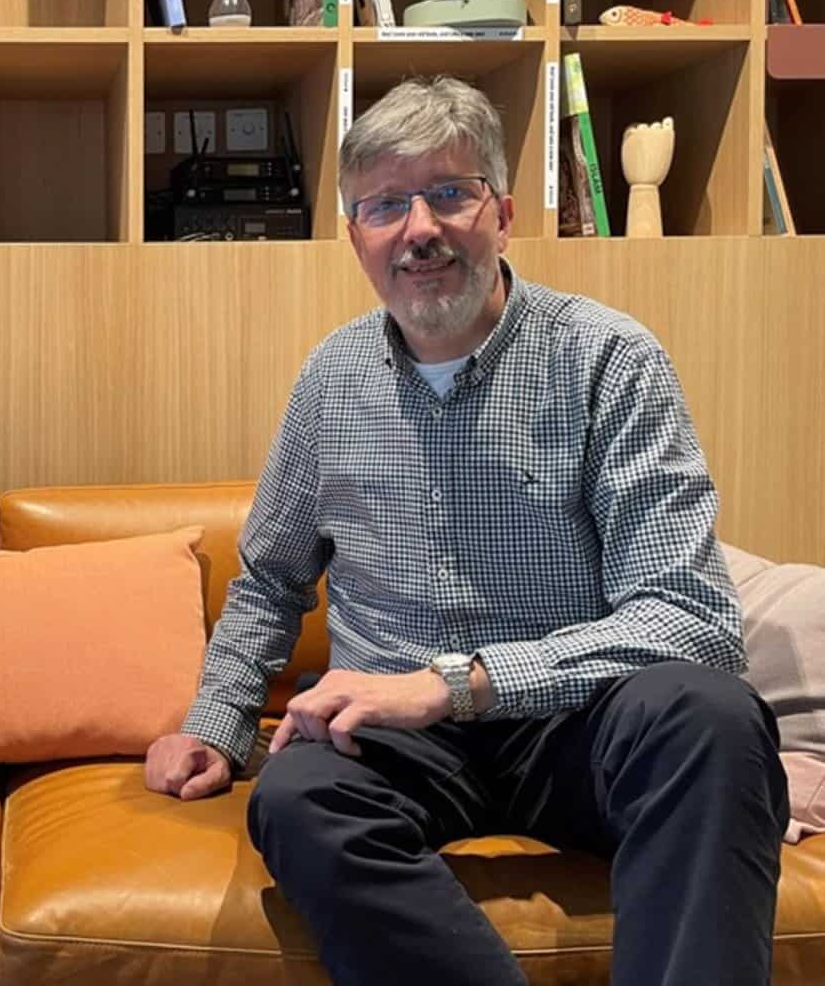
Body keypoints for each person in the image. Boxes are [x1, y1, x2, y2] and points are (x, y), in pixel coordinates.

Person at [143, 76, 788, 985]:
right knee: (294, 798)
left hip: (576, 724)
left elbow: (690, 618)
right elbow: (273, 579)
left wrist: (455, 684)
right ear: (356, 235)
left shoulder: (610, 359)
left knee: (713, 718)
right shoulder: (331, 381)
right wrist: (214, 724)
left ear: (503, 212)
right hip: (395, 744)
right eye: (385, 206)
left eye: (449, 193)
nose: (420, 229)